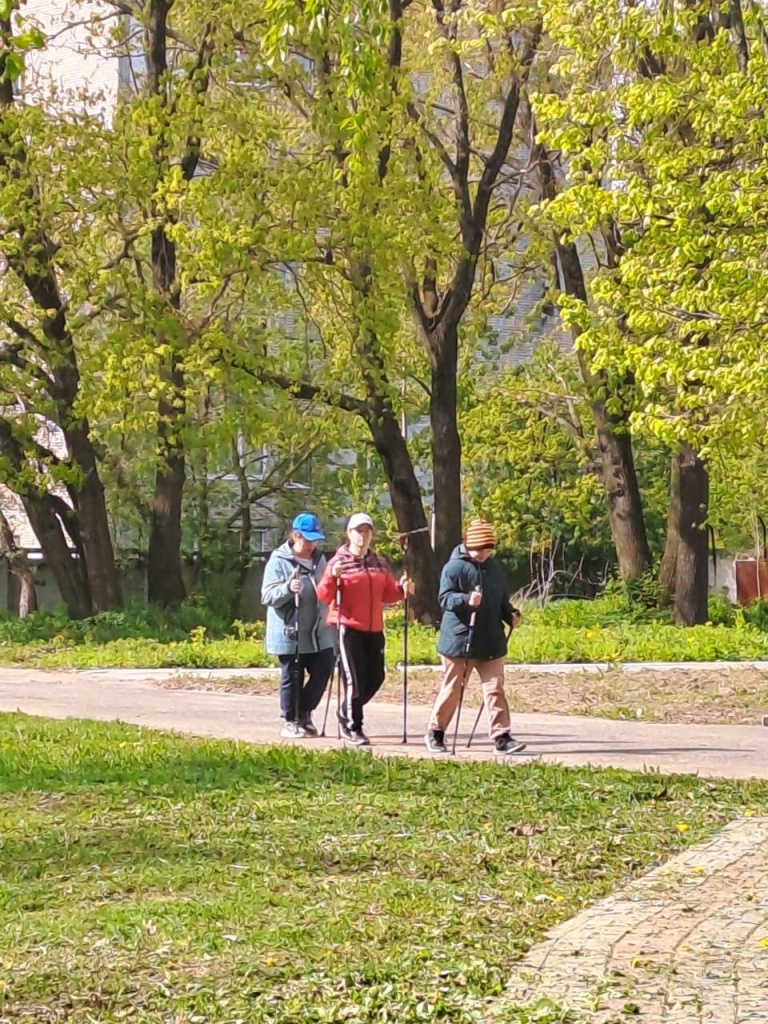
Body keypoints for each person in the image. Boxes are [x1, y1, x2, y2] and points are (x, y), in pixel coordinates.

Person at [424, 517, 526, 756]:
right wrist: (465, 600)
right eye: (479, 550)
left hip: (490, 639)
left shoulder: (493, 567)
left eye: (488, 550)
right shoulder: (454, 567)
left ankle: (502, 737)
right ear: (468, 546)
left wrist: (510, 614)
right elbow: (444, 599)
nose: (483, 555)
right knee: (454, 688)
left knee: (495, 688)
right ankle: (435, 732)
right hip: (460, 641)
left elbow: (500, 600)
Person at [317, 512, 409, 747]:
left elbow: (387, 593)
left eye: (367, 531)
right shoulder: (338, 562)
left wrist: (402, 588)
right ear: (349, 534)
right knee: (354, 679)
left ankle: (346, 710)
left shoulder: (378, 561)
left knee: (376, 676)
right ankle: (353, 726)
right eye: (358, 531)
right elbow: (324, 595)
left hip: (374, 628)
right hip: (347, 627)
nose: (363, 536)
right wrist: (333, 577)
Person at [261, 512, 336, 738]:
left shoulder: (319, 559)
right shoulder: (278, 561)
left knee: (324, 669)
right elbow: (267, 596)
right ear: (295, 536)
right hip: (290, 632)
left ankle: (304, 712)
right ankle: (290, 720)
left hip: (318, 631)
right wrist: (287, 589)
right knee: (292, 676)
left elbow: (325, 586)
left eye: (315, 540)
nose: (312, 544)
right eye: (308, 539)